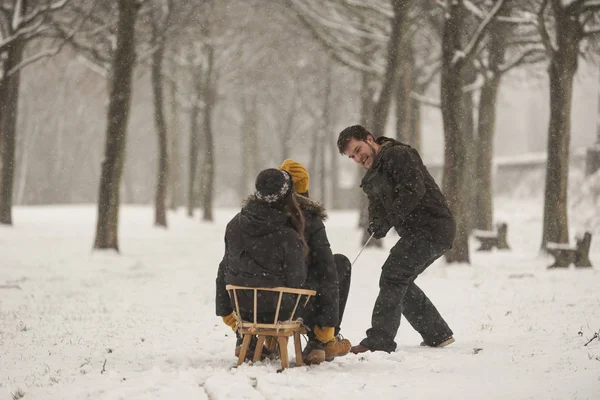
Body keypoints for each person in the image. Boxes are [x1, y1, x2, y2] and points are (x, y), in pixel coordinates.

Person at [336, 125, 456, 354]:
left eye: (359, 150)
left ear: (370, 139)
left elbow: (414, 190)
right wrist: (376, 225)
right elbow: (377, 207)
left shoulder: (398, 155)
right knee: (400, 280)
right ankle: (438, 334)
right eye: (352, 156)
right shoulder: (372, 176)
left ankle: (380, 340)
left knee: (393, 275)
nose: (358, 158)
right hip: (417, 233)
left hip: (434, 227)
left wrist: (388, 219)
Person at [215, 168, 308, 360]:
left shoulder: (233, 225)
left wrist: (225, 309)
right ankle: (322, 341)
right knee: (319, 278)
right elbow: (296, 280)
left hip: (242, 308)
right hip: (277, 310)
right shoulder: (287, 234)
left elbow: (225, 268)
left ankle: (245, 338)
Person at [278, 160, 351, 364]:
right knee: (337, 265)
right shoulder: (309, 219)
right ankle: (321, 341)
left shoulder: (262, 216)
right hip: (299, 300)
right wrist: (328, 327)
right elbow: (326, 269)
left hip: (264, 299)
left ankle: (265, 341)